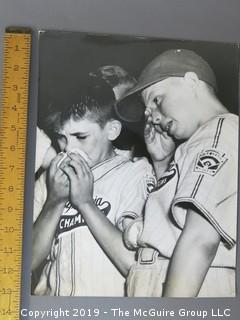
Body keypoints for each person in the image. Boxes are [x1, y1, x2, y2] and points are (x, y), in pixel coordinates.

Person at [116, 49, 238, 297]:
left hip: (189, 283)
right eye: (149, 112)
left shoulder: (218, 134)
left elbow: (200, 239)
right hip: (166, 276)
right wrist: (162, 163)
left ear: (191, 81)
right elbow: (174, 225)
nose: (154, 117)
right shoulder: (198, 142)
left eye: (157, 100)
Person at [32, 77, 155, 296]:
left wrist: (86, 203)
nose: (69, 149)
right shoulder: (50, 178)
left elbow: (135, 266)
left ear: (112, 130)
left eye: (81, 137)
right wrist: (55, 201)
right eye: (62, 138)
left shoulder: (134, 173)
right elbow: (26, 263)